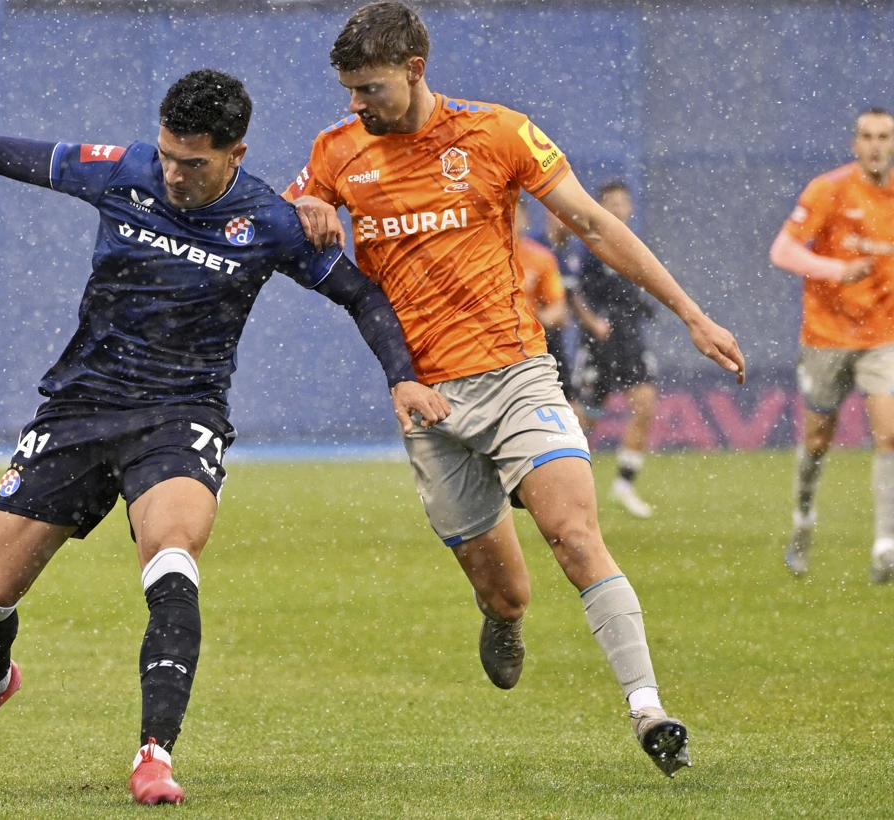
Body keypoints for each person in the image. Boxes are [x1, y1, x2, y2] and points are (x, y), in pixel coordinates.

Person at [0, 68, 449, 805]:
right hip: (79, 407)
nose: (172, 173)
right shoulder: (124, 171)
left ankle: (154, 756)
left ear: (235, 154)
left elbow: (360, 293)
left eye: (192, 163)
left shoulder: (271, 221)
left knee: (171, 564)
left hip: (181, 415)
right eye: (168, 154)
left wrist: (402, 374)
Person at [286, 1, 744, 777]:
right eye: (350, 91)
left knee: (572, 532)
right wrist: (305, 206)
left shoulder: (497, 133)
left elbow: (594, 226)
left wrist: (691, 312)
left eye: (370, 89)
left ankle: (649, 711)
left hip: (518, 374)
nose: (356, 105)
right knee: (507, 594)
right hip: (427, 402)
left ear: (415, 69)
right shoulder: (336, 151)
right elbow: (296, 210)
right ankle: (501, 617)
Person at [769, 107, 894, 583]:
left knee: (889, 433)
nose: (876, 145)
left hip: (884, 336)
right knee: (818, 438)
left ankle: (885, 545)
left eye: (884, 136)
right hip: (826, 335)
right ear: (854, 143)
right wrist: (837, 270)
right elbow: (782, 251)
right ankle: (803, 520)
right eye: (867, 136)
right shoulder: (830, 190)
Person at [570, 182, 660, 518]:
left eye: (623, 203)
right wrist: (592, 321)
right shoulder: (590, 244)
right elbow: (574, 290)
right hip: (598, 345)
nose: (618, 208)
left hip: (630, 342)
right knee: (585, 420)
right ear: (600, 207)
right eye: (611, 203)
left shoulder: (635, 246)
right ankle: (570, 486)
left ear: (631, 208)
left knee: (645, 405)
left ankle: (624, 484)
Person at [513, 201, 572, 395]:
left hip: (537, 342)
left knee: (571, 406)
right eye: (505, 217)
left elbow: (558, 307)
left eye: (516, 216)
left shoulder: (541, 258)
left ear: (526, 221)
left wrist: (530, 325)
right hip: (496, 345)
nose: (511, 222)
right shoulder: (481, 259)